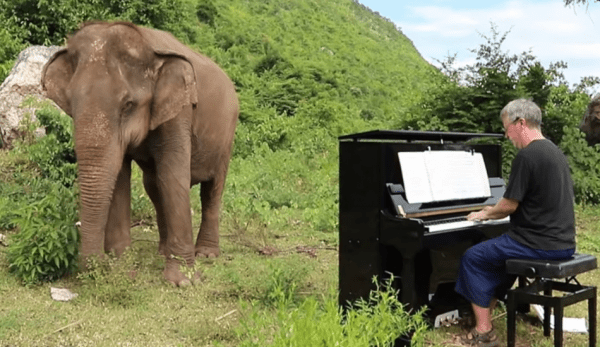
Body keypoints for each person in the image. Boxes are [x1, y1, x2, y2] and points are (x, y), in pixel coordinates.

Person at [454, 98, 576, 347]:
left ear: (521, 123)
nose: (506, 134)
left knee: (473, 258)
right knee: (499, 257)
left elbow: (509, 205)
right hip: (563, 242)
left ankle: (483, 331)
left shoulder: (527, 155)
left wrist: (484, 213)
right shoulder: (553, 151)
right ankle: (482, 313)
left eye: (506, 128)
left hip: (538, 243)